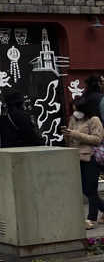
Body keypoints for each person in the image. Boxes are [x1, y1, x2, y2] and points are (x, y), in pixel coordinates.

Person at [63, 96, 104, 230]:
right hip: (75, 158)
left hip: (91, 157)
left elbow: (97, 139)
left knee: (90, 189)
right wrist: (67, 135)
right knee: (85, 189)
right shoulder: (73, 119)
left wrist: (75, 134)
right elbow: (70, 139)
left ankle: (91, 219)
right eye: (73, 109)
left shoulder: (94, 120)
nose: (75, 112)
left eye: (77, 109)